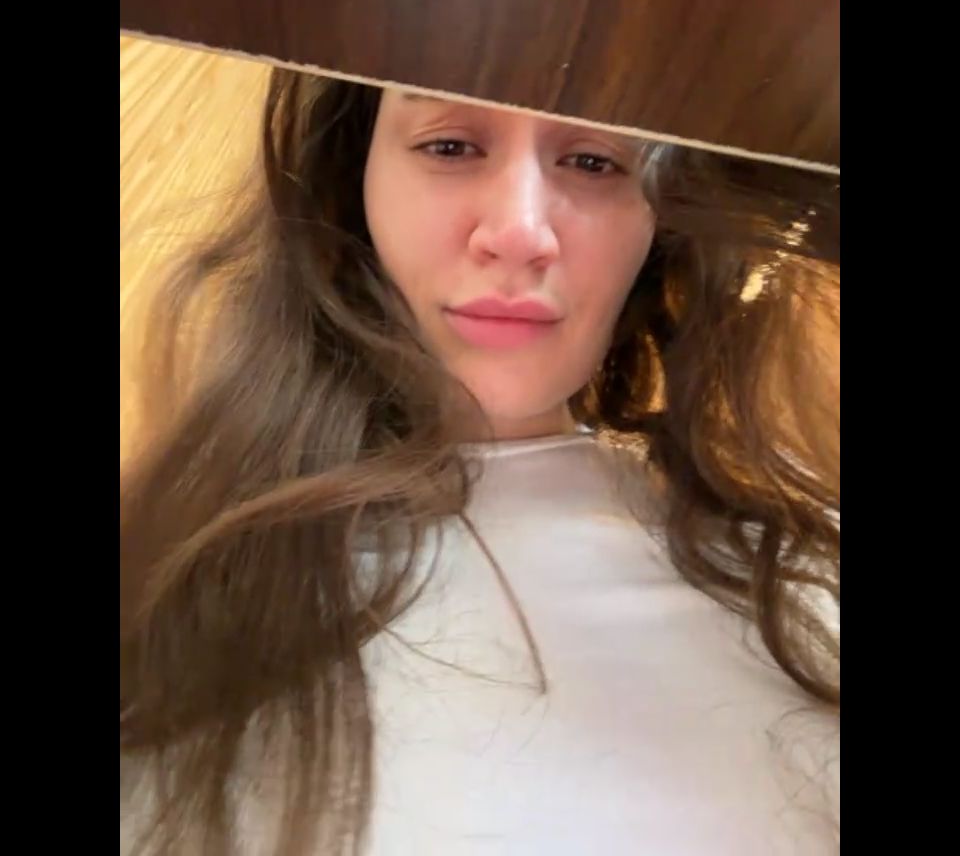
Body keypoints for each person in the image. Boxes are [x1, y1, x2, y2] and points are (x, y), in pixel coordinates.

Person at [120, 71, 840, 855]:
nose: (519, 231)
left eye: (594, 161)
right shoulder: (167, 575)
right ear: (352, 178)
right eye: (451, 146)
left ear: (662, 222)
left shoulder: (805, 587)